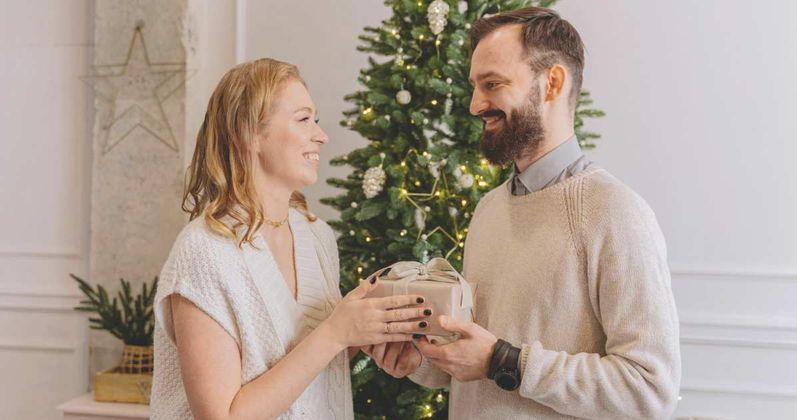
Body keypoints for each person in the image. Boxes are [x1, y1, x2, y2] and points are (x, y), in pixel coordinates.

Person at [363, 7, 681, 419]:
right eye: (475, 87)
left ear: (553, 83)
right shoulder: (490, 209)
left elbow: (649, 390)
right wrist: (421, 363)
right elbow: (478, 352)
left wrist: (505, 361)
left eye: (492, 84)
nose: (476, 105)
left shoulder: (615, 212)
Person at [150, 58, 431, 419]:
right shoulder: (204, 251)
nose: (321, 135)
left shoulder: (316, 236)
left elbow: (308, 364)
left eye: (316, 120)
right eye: (303, 119)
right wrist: (335, 332)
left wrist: (363, 331)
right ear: (248, 132)